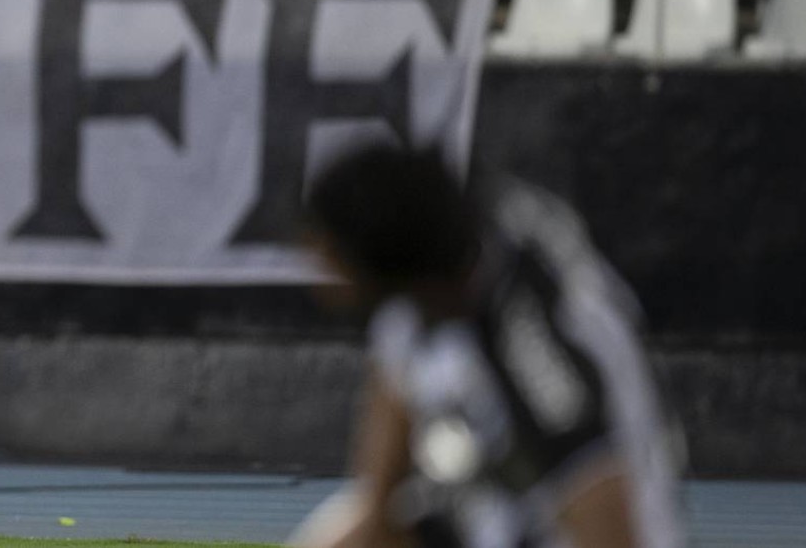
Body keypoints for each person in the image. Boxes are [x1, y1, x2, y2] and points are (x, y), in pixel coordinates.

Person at [290, 146, 684, 548]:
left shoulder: (538, 355)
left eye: (330, 260)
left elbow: (607, 520)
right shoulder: (427, 280)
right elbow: (391, 410)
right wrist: (376, 515)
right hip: (491, 507)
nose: (318, 282)